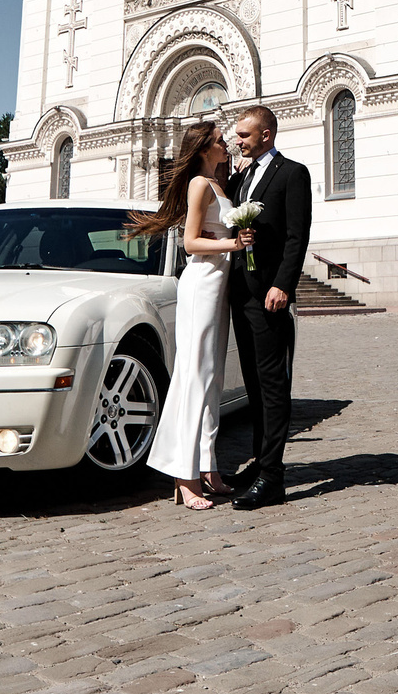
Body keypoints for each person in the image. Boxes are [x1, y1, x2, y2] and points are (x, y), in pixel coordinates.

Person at [128, 121, 253, 510]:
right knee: (194, 375)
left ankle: (208, 466)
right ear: (203, 149)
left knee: (212, 378)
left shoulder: (218, 183)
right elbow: (191, 241)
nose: (226, 144)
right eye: (219, 141)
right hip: (201, 283)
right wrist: (234, 243)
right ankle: (184, 475)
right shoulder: (200, 184)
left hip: (219, 285)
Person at [224, 103, 311, 509]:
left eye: (244, 134)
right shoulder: (242, 178)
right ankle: (260, 462)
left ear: (266, 135)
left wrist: (283, 285)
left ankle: (273, 478)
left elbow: (297, 236)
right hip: (241, 293)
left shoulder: (292, 174)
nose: (237, 140)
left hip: (270, 296)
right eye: (237, 134)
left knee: (274, 386)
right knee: (254, 385)